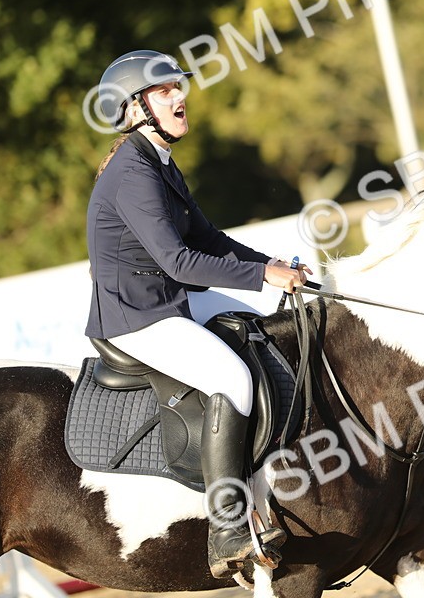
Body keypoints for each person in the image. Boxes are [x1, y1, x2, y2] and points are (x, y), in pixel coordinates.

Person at [84, 50, 310, 577]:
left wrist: (270, 264)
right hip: (135, 317)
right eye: (164, 92)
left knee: (257, 334)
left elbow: (208, 239)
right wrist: (261, 277)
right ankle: (227, 523)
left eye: (177, 87)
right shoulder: (132, 171)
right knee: (230, 377)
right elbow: (179, 261)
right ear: (135, 107)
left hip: (164, 300)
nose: (179, 96)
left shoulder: (158, 160)